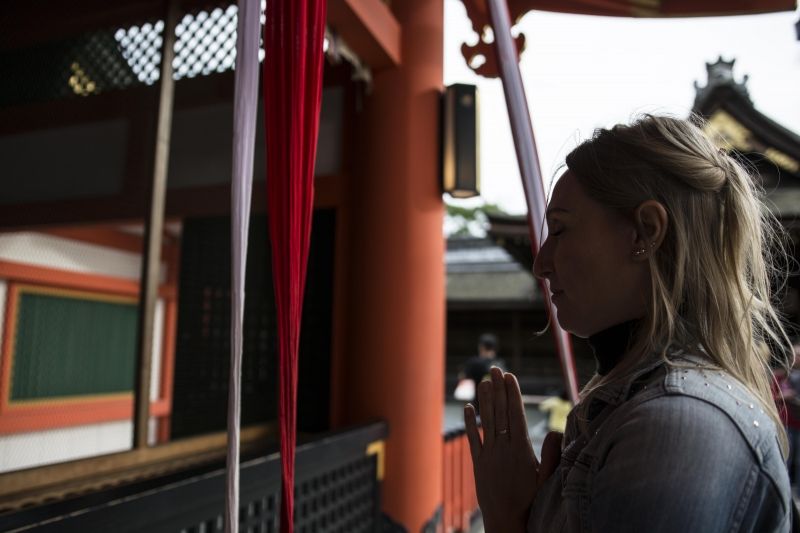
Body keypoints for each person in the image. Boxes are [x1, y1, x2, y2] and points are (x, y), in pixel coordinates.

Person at [464, 115, 794, 532]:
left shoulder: (676, 428)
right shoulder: (642, 408)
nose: (541, 263)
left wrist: (509, 519)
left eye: (561, 230)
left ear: (645, 232)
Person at [456, 333, 505, 413]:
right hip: (499, 412)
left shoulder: (474, 363)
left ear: (481, 347)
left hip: (479, 410)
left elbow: (462, 378)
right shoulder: (501, 364)